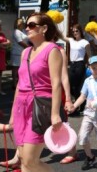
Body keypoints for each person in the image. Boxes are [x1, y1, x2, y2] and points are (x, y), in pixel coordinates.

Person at [9, 12, 63, 172]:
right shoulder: (25, 52)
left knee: (30, 160)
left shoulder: (52, 50)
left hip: (39, 106)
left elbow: (56, 84)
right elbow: (19, 84)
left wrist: (55, 114)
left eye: (32, 25)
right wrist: (13, 112)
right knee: (23, 162)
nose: (27, 28)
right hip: (21, 106)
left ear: (44, 28)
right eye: (26, 25)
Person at [69, 56, 97, 169]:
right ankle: (90, 157)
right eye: (94, 67)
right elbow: (83, 96)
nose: (96, 70)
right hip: (88, 114)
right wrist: (74, 106)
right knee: (82, 137)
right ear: (89, 67)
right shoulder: (87, 81)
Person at [61, 24, 91, 115]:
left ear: (80, 31)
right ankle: (80, 102)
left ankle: (79, 106)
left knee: (77, 87)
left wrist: (91, 65)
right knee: (69, 85)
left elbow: (89, 55)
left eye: (76, 31)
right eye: (73, 31)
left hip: (80, 64)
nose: (75, 33)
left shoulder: (85, 42)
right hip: (72, 65)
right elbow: (61, 36)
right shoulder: (71, 40)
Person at [10, 18, 28, 89]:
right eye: (21, 23)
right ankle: (14, 84)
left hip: (23, 52)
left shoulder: (23, 31)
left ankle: (20, 82)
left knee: (22, 68)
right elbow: (20, 42)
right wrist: (29, 47)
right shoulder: (16, 31)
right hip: (16, 53)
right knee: (15, 69)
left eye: (22, 23)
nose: (22, 24)